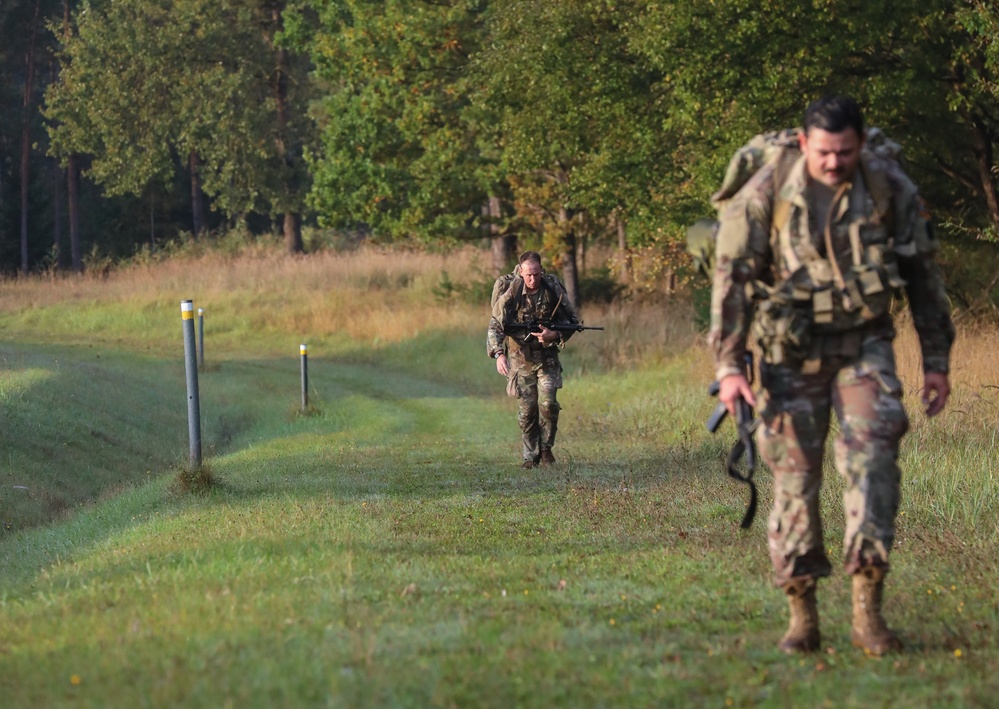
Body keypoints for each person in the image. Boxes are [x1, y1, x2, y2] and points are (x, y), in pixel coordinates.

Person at [709, 95, 955, 655]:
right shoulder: (767, 191)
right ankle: (802, 612)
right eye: (824, 151)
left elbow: (923, 278)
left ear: (861, 144)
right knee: (794, 478)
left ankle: (868, 609)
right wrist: (729, 366)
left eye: (845, 151)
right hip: (788, 355)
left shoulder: (889, 186)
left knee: (873, 463)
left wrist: (936, 361)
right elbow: (732, 282)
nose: (834, 162)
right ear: (803, 143)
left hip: (863, 346)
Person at [487, 251, 580, 468]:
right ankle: (530, 456)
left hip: (547, 356)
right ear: (520, 271)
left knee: (548, 404)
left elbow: (572, 321)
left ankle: (546, 449)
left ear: (541, 271)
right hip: (520, 357)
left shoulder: (551, 288)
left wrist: (554, 335)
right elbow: (495, 324)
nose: (532, 279)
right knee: (527, 410)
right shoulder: (512, 290)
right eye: (528, 275)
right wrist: (499, 354)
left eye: (536, 274)